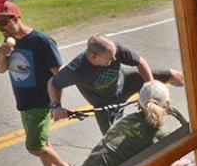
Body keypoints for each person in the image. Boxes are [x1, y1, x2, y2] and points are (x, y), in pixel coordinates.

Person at [0, 1, 74, 166]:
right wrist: (2, 55)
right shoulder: (9, 42)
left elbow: (58, 75)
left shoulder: (42, 41)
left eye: (3, 22)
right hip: (24, 101)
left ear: (16, 18)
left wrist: (56, 104)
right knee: (43, 143)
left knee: (35, 146)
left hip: (42, 101)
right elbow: (1, 69)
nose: (1, 28)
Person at [48, 34, 186, 134]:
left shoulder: (115, 49)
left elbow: (140, 62)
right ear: (92, 57)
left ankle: (195, 85)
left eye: (114, 55)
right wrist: (56, 106)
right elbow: (53, 84)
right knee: (113, 140)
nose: (114, 59)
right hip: (105, 104)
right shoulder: (76, 70)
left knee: (172, 76)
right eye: (109, 58)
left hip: (127, 83)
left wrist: (150, 85)